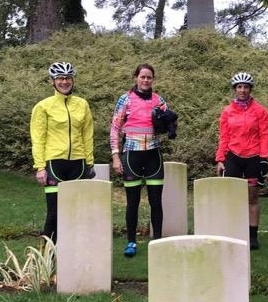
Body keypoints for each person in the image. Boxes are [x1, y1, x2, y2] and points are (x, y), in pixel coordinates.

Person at [110, 63, 172, 257]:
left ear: (153, 79)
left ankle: (157, 242)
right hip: (132, 155)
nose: (145, 80)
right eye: (142, 76)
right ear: (136, 77)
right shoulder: (126, 99)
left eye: (149, 77)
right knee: (133, 202)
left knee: (156, 201)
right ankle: (131, 242)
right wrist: (115, 156)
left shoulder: (158, 99)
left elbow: (169, 123)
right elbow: (115, 128)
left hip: (153, 154)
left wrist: (169, 123)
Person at [30, 61, 95, 242]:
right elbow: (38, 138)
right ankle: (48, 254)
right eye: (60, 78)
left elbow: (88, 134)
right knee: (54, 211)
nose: (64, 81)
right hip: (54, 163)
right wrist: (40, 167)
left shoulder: (82, 104)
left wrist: (89, 162)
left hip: (78, 162)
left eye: (68, 78)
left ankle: (73, 250)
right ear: (52, 81)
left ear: (73, 80)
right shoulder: (43, 106)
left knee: (76, 209)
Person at [215, 72, 268, 250]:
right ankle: (232, 232)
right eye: (239, 87)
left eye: (246, 87)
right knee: (231, 196)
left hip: (253, 157)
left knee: (252, 197)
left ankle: (252, 235)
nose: (242, 90)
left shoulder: (260, 111)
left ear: (250, 89)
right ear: (235, 89)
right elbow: (224, 136)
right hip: (233, 156)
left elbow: (264, 135)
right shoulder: (227, 111)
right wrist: (220, 159)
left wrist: (264, 158)